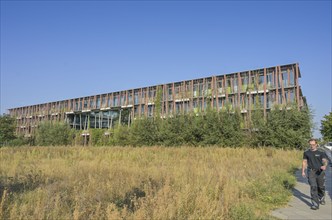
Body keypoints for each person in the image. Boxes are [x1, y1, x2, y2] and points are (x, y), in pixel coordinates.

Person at [302, 138, 329, 210]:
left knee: (321, 187)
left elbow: (325, 160)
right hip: (311, 172)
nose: (312, 146)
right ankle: (315, 204)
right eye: (310, 144)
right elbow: (304, 162)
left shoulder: (321, 152)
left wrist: (324, 165)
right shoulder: (306, 152)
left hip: (320, 171)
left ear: (316, 144)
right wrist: (303, 171)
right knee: (313, 187)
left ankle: (322, 197)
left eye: (313, 144)